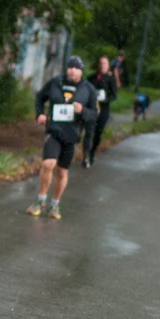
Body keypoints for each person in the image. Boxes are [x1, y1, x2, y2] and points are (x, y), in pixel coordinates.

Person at [27, 56, 97, 219]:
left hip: (71, 134)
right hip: (54, 130)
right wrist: (40, 114)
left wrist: (82, 111)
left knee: (62, 172)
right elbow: (40, 97)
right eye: (70, 67)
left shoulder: (88, 89)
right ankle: (40, 201)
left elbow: (94, 114)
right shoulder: (55, 82)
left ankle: (55, 205)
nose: (72, 70)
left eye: (76, 68)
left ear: (81, 71)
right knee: (48, 164)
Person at [82, 55, 118, 168]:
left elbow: (114, 95)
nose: (102, 65)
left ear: (108, 66)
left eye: (105, 63)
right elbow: (84, 90)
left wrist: (105, 98)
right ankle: (85, 156)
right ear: (98, 65)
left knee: (98, 134)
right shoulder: (91, 77)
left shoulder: (110, 79)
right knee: (89, 132)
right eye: (101, 63)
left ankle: (92, 153)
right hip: (91, 110)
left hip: (103, 111)